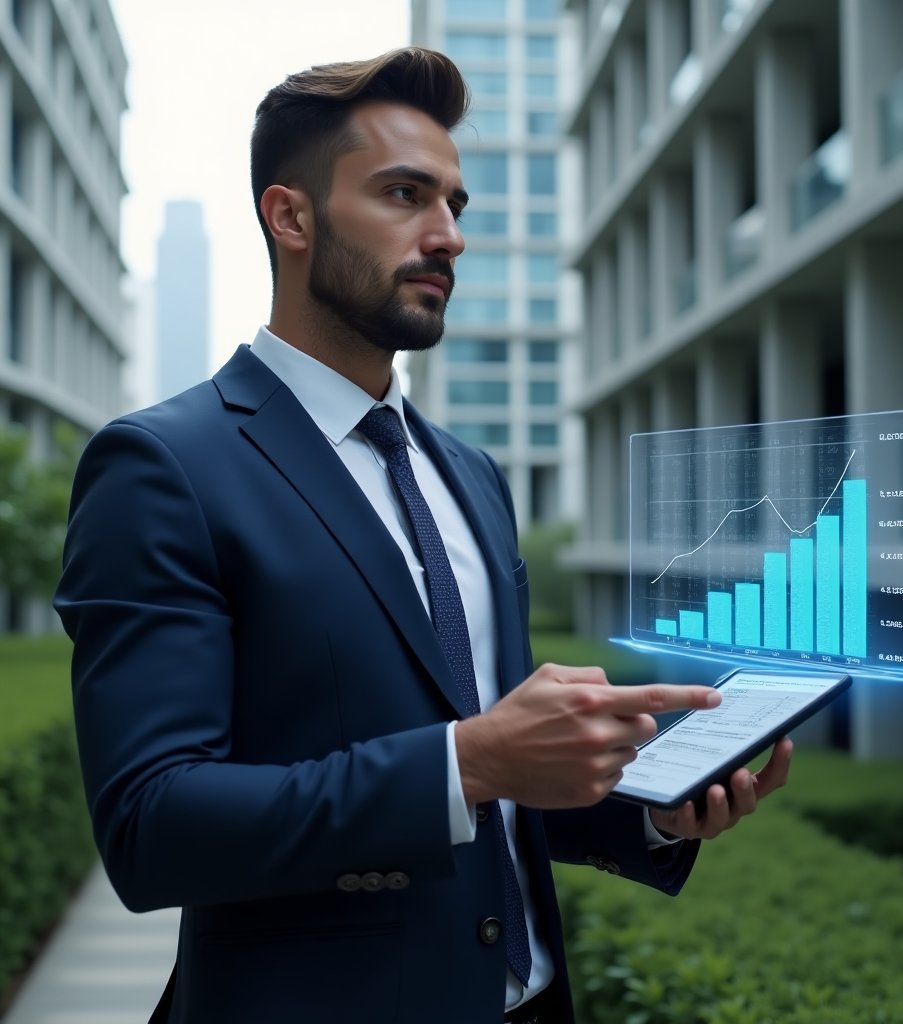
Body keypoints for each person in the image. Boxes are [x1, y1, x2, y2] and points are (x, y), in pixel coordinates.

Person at [54, 47, 792, 1024]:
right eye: (405, 194)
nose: (446, 235)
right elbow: (153, 826)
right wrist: (469, 757)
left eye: (454, 204)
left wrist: (652, 810)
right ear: (291, 216)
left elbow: (497, 782)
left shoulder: (472, 478)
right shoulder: (162, 466)